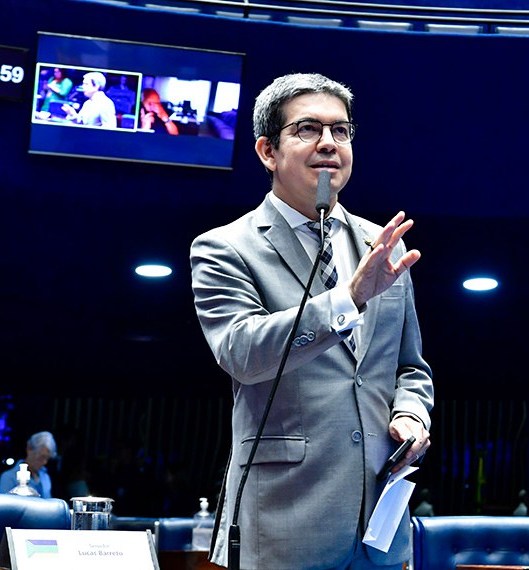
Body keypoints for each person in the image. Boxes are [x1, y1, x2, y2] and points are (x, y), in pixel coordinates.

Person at [190, 72, 434, 570]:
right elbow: (242, 352)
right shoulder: (225, 247)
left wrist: (412, 414)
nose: (328, 143)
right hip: (283, 522)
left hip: (378, 532)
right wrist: (347, 298)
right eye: (307, 129)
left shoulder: (383, 244)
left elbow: (410, 368)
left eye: (341, 131)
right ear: (267, 151)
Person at [0, 431, 57, 498]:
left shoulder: (45, 476)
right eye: (41, 457)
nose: (44, 462)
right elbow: (5, 506)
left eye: (47, 458)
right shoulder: (8, 477)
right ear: (29, 449)